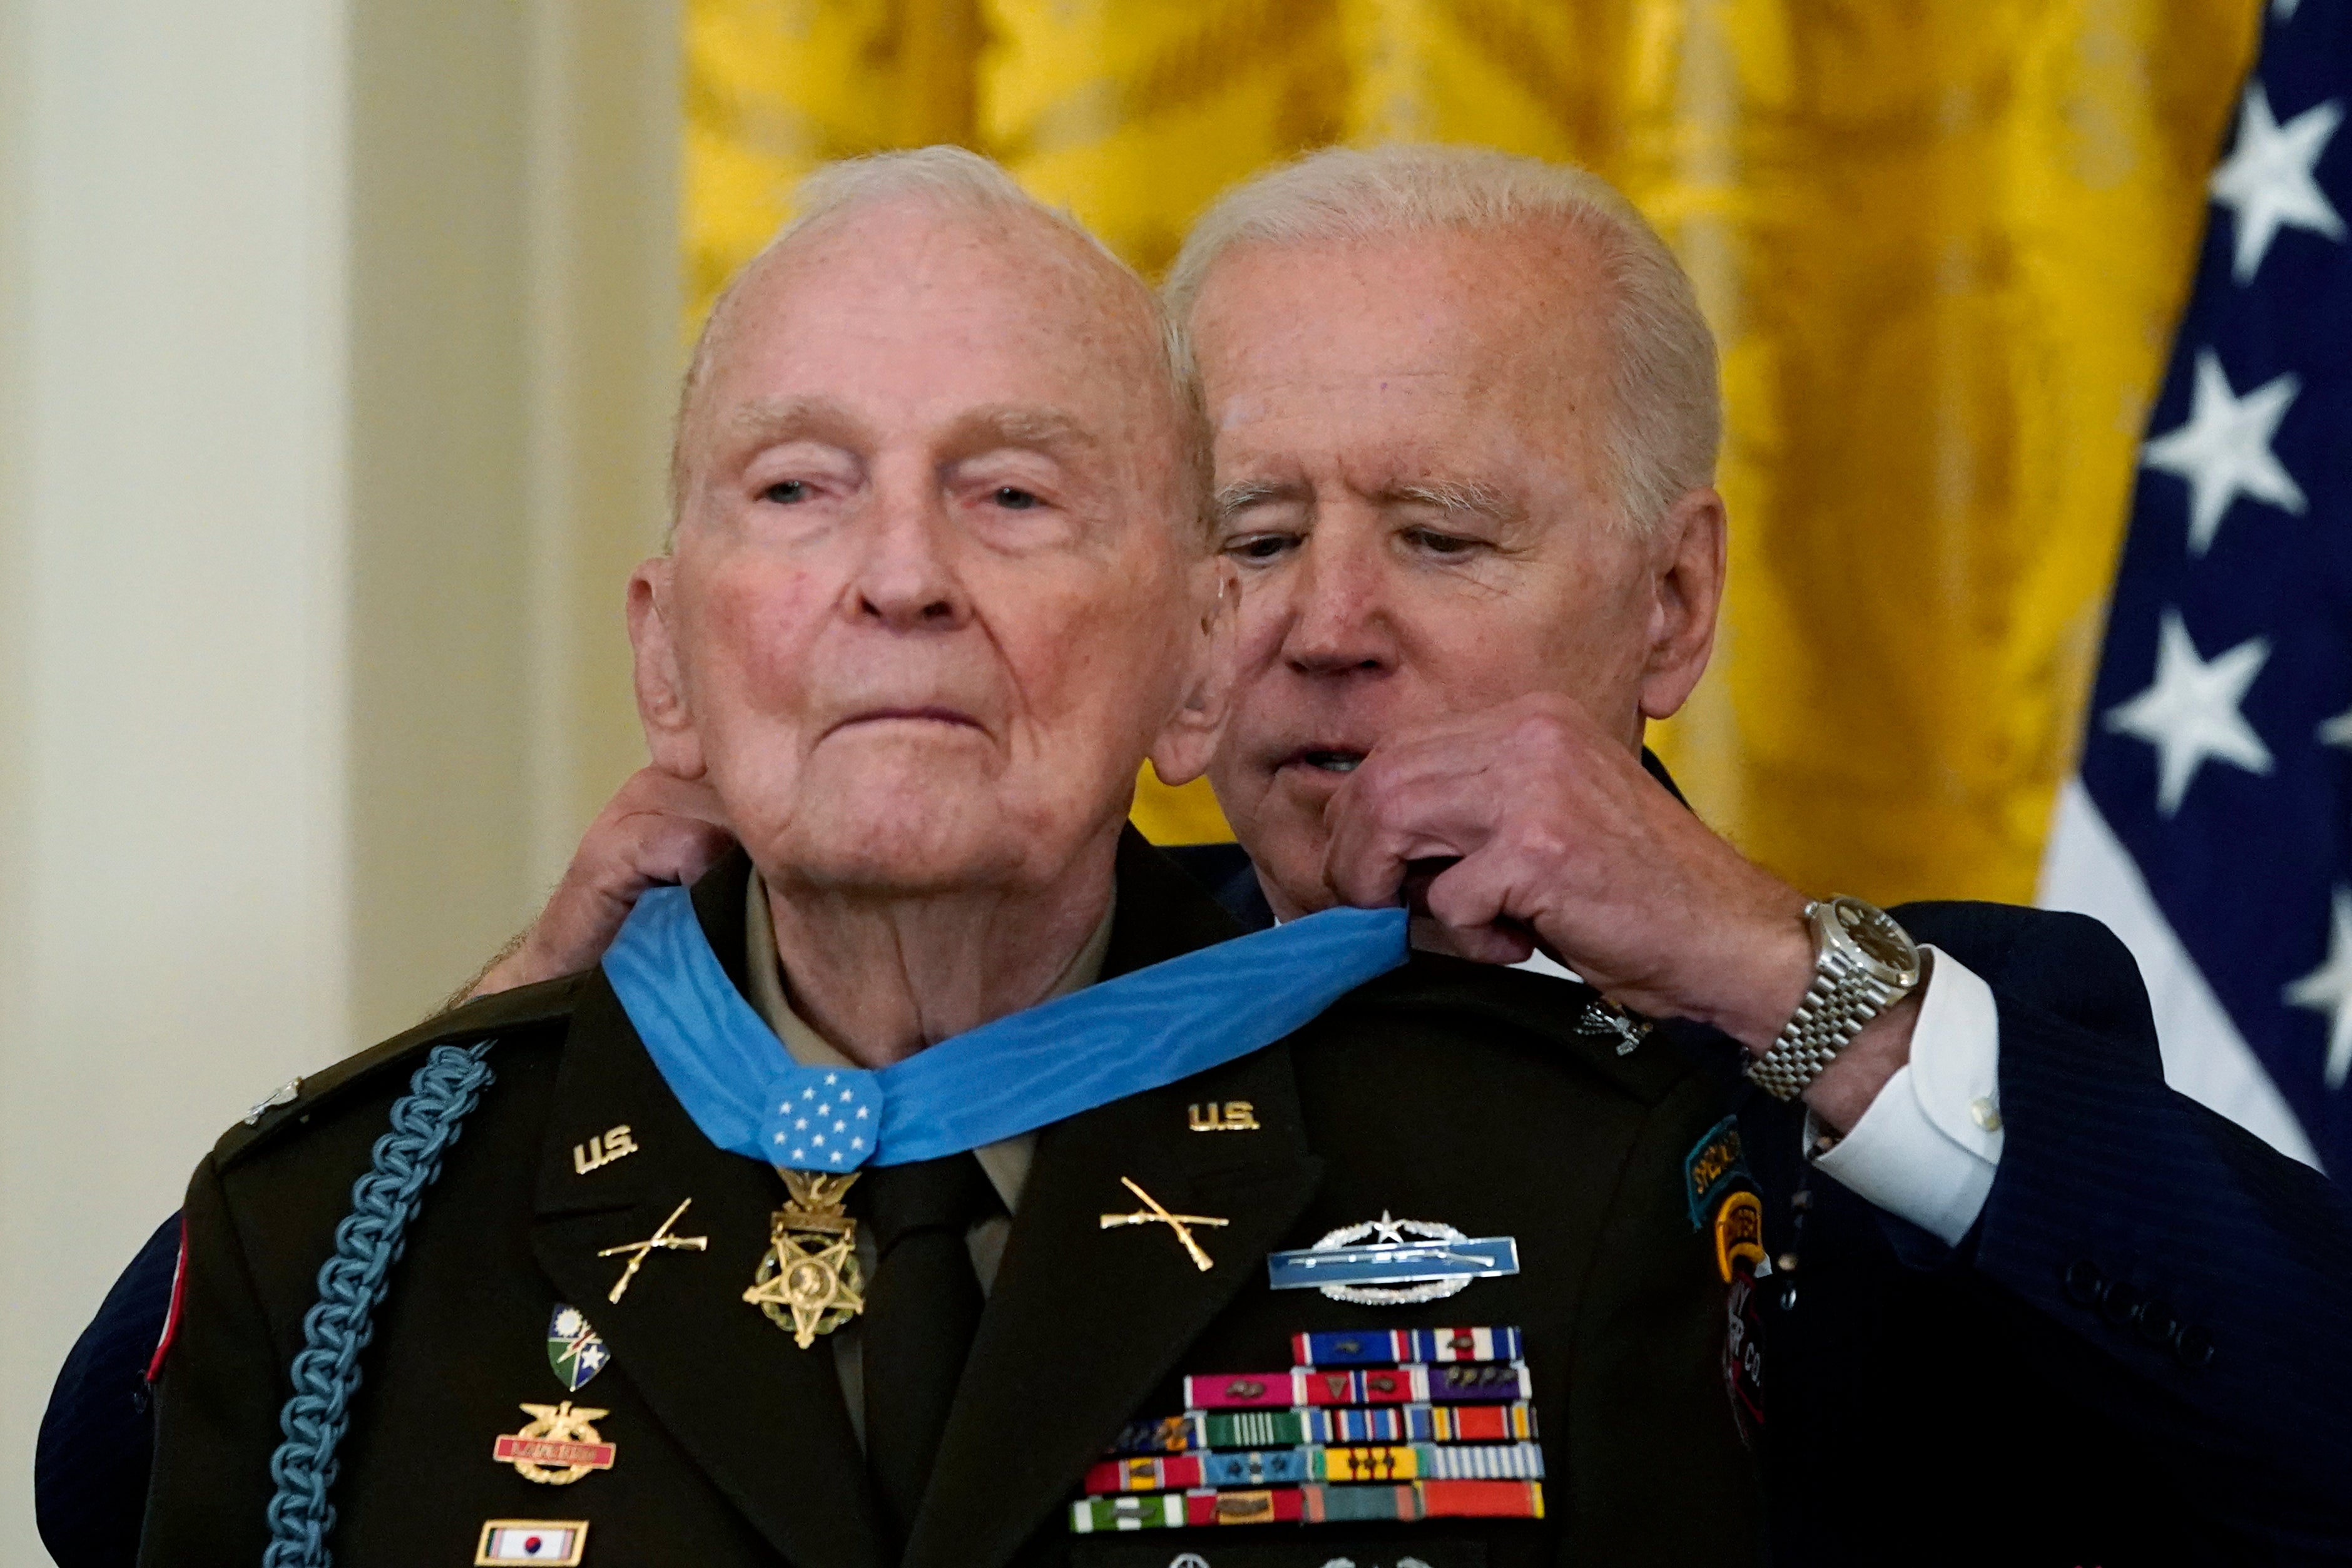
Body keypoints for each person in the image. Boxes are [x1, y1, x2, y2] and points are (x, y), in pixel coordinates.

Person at [49, 144, 2352, 1564]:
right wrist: (517, 1037)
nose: (1324, 628)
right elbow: (125, 1475)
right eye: (1253, 535)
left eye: (1443, 535)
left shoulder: (1876, 1046)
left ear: (1673, 605)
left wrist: (1764, 970)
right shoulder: (937, 992)